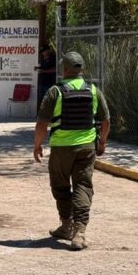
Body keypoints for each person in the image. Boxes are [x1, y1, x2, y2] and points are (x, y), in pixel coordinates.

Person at [33, 51, 110, 251]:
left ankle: (67, 224)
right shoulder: (93, 90)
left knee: (60, 186)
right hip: (86, 147)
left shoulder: (55, 91)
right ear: (81, 69)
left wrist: (37, 145)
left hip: (61, 148)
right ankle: (79, 232)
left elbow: (42, 123)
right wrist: (101, 142)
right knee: (83, 187)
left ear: (65, 69)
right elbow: (105, 121)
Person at [35, 44, 56, 115]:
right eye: (41, 51)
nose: (42, 53)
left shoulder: (53, 58)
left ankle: (50, 114)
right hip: (42, 82)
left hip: (49, 82)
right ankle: (43, 114)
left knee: (49, 99)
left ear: (48, 50)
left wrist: (43, 71)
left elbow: (55, 70)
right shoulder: (43, 59)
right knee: (42, 98)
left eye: (44, 51)